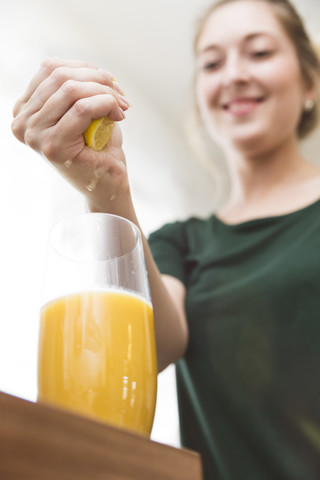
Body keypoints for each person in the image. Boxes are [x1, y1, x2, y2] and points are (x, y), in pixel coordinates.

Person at [11, 0, 320, 478]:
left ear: (310, 83)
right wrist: (108, 186)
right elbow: (153, 345)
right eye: (212, 63)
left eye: (258, 53)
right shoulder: (181, 243)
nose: (233, 74)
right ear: (201, 96)